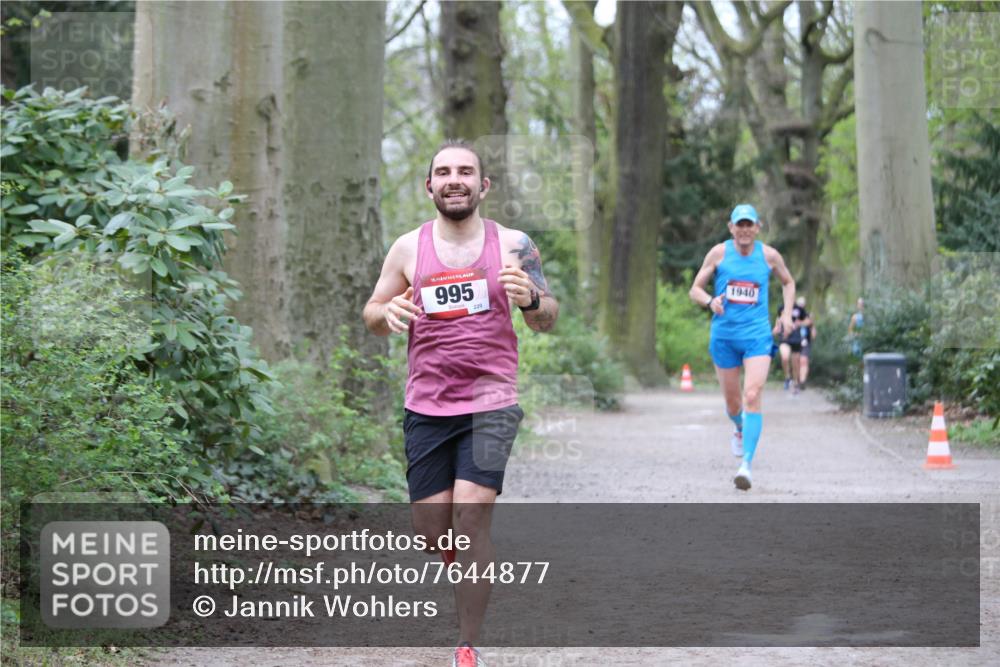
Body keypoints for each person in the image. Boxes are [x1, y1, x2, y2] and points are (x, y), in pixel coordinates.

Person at [363, 140, 559, 667]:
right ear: (429, 185)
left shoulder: (515, 244)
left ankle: (467, 644)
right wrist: (390, 314)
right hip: (426, 404)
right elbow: (372, 310)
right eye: (444, 172)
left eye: (466, 171)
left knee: (472, 519)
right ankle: (470, 565)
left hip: (492, 400)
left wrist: (532, 299)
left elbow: (547, 318)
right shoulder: (408, 248)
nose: (455, 179)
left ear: (483, 185)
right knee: (432, 533)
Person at [689, 203, 795, 491]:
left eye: (750, 225)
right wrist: (710, 301)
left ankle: (746, 465)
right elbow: (695, 289)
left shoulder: (770, 256)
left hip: (757, 336)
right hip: (724, 336)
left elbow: (788, 282)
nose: (745, 230)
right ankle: (739, 427)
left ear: (758, 227)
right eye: (740, 225)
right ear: (731, 228)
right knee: (734, 403)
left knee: (752, 393)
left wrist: (786, 314)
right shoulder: (719, 253)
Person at [774, 295, 813, 393]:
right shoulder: (781, 308)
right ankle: (787, 377)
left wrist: (800, 323)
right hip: (785, 338)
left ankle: (796, 382)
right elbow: (778, 321)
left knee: (796, 363)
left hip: (796, 339)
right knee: (785, 357)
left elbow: (808, 321)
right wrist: (776, 329)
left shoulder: (799, 309)